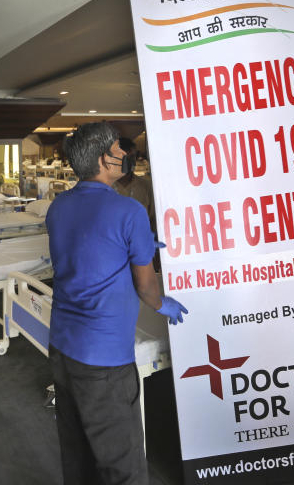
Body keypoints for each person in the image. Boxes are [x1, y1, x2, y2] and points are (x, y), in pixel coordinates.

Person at [46, 122, 188, 484]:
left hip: (63, 345)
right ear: (101, 158)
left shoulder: (59, 206)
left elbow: (87, 250)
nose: (124, 153)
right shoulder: (128, 211)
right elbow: (145, 287)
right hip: (103, 359)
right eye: (116, 148)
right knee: (122, 462)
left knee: (77, 449)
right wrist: (162, 304)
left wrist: (135, 245)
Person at [112, 137, 155, 226]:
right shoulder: (106, 188)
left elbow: (153, 222)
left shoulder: (146, 187)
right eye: (125, 158)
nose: (131, 162)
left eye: (132, 157)